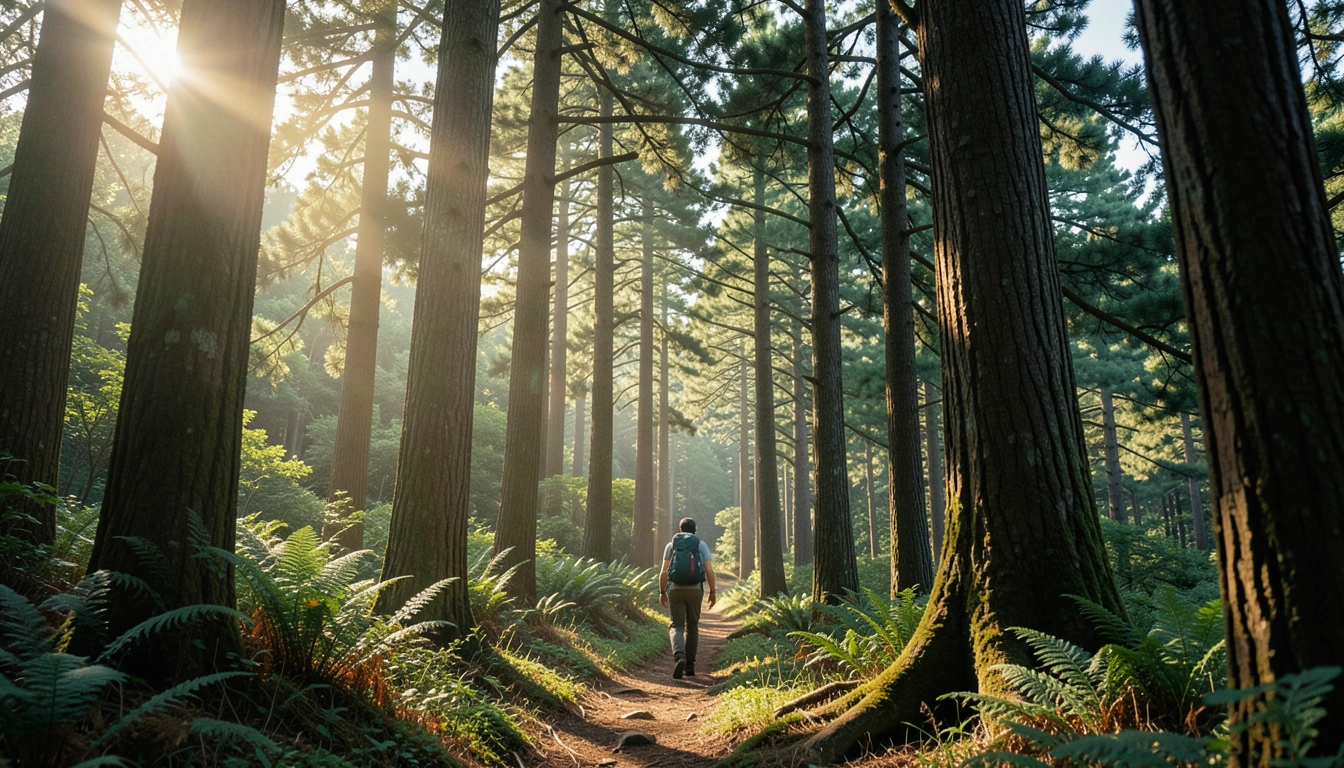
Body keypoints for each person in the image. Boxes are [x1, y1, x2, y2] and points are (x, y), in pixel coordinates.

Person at [659, 517, 716, 679]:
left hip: (675, 589)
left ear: (680, 528)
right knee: (692, 627)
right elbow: (709, 571)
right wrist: (712, 592)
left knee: (676, 626)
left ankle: (680, 657)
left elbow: (664, 571)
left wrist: (662, 592)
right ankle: (690, 666)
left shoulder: (672, 545)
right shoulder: (700, 545)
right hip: (695, 589)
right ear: (695, 530)